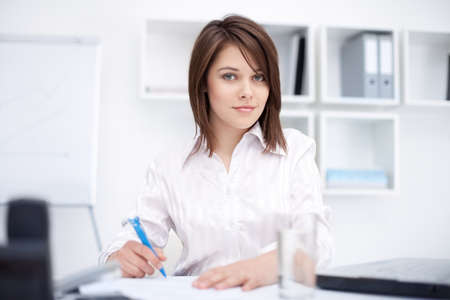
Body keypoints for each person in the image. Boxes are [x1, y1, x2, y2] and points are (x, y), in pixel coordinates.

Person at [99, 14, 333, 291]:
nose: (248, 92)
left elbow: (317, 243)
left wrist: (263, 266)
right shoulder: (169, 164)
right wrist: (119, 257)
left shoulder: (295, 150)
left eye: (259, 77)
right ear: (203, 83)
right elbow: (132, 237)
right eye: (230, 76)